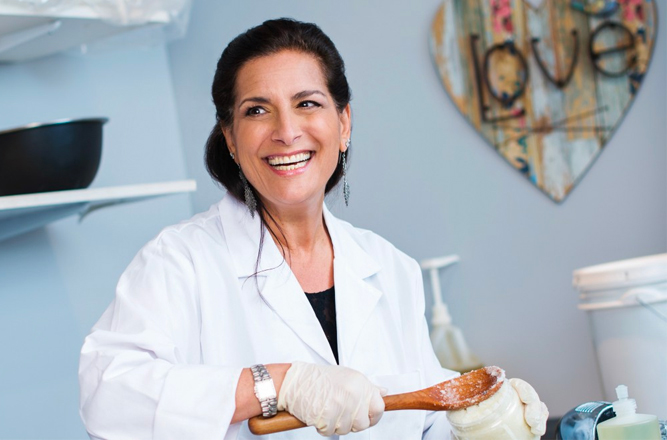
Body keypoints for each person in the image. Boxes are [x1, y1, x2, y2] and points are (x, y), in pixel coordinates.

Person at [78, 18, 549, 439]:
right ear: (231, 140)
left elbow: (419, 419)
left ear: (343, 124)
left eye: (307, 103)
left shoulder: (389, 268)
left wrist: (478, 422)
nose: (286, 130)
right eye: (257, 110)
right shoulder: (181, 262)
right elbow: (108, 397)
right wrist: (279, 383)